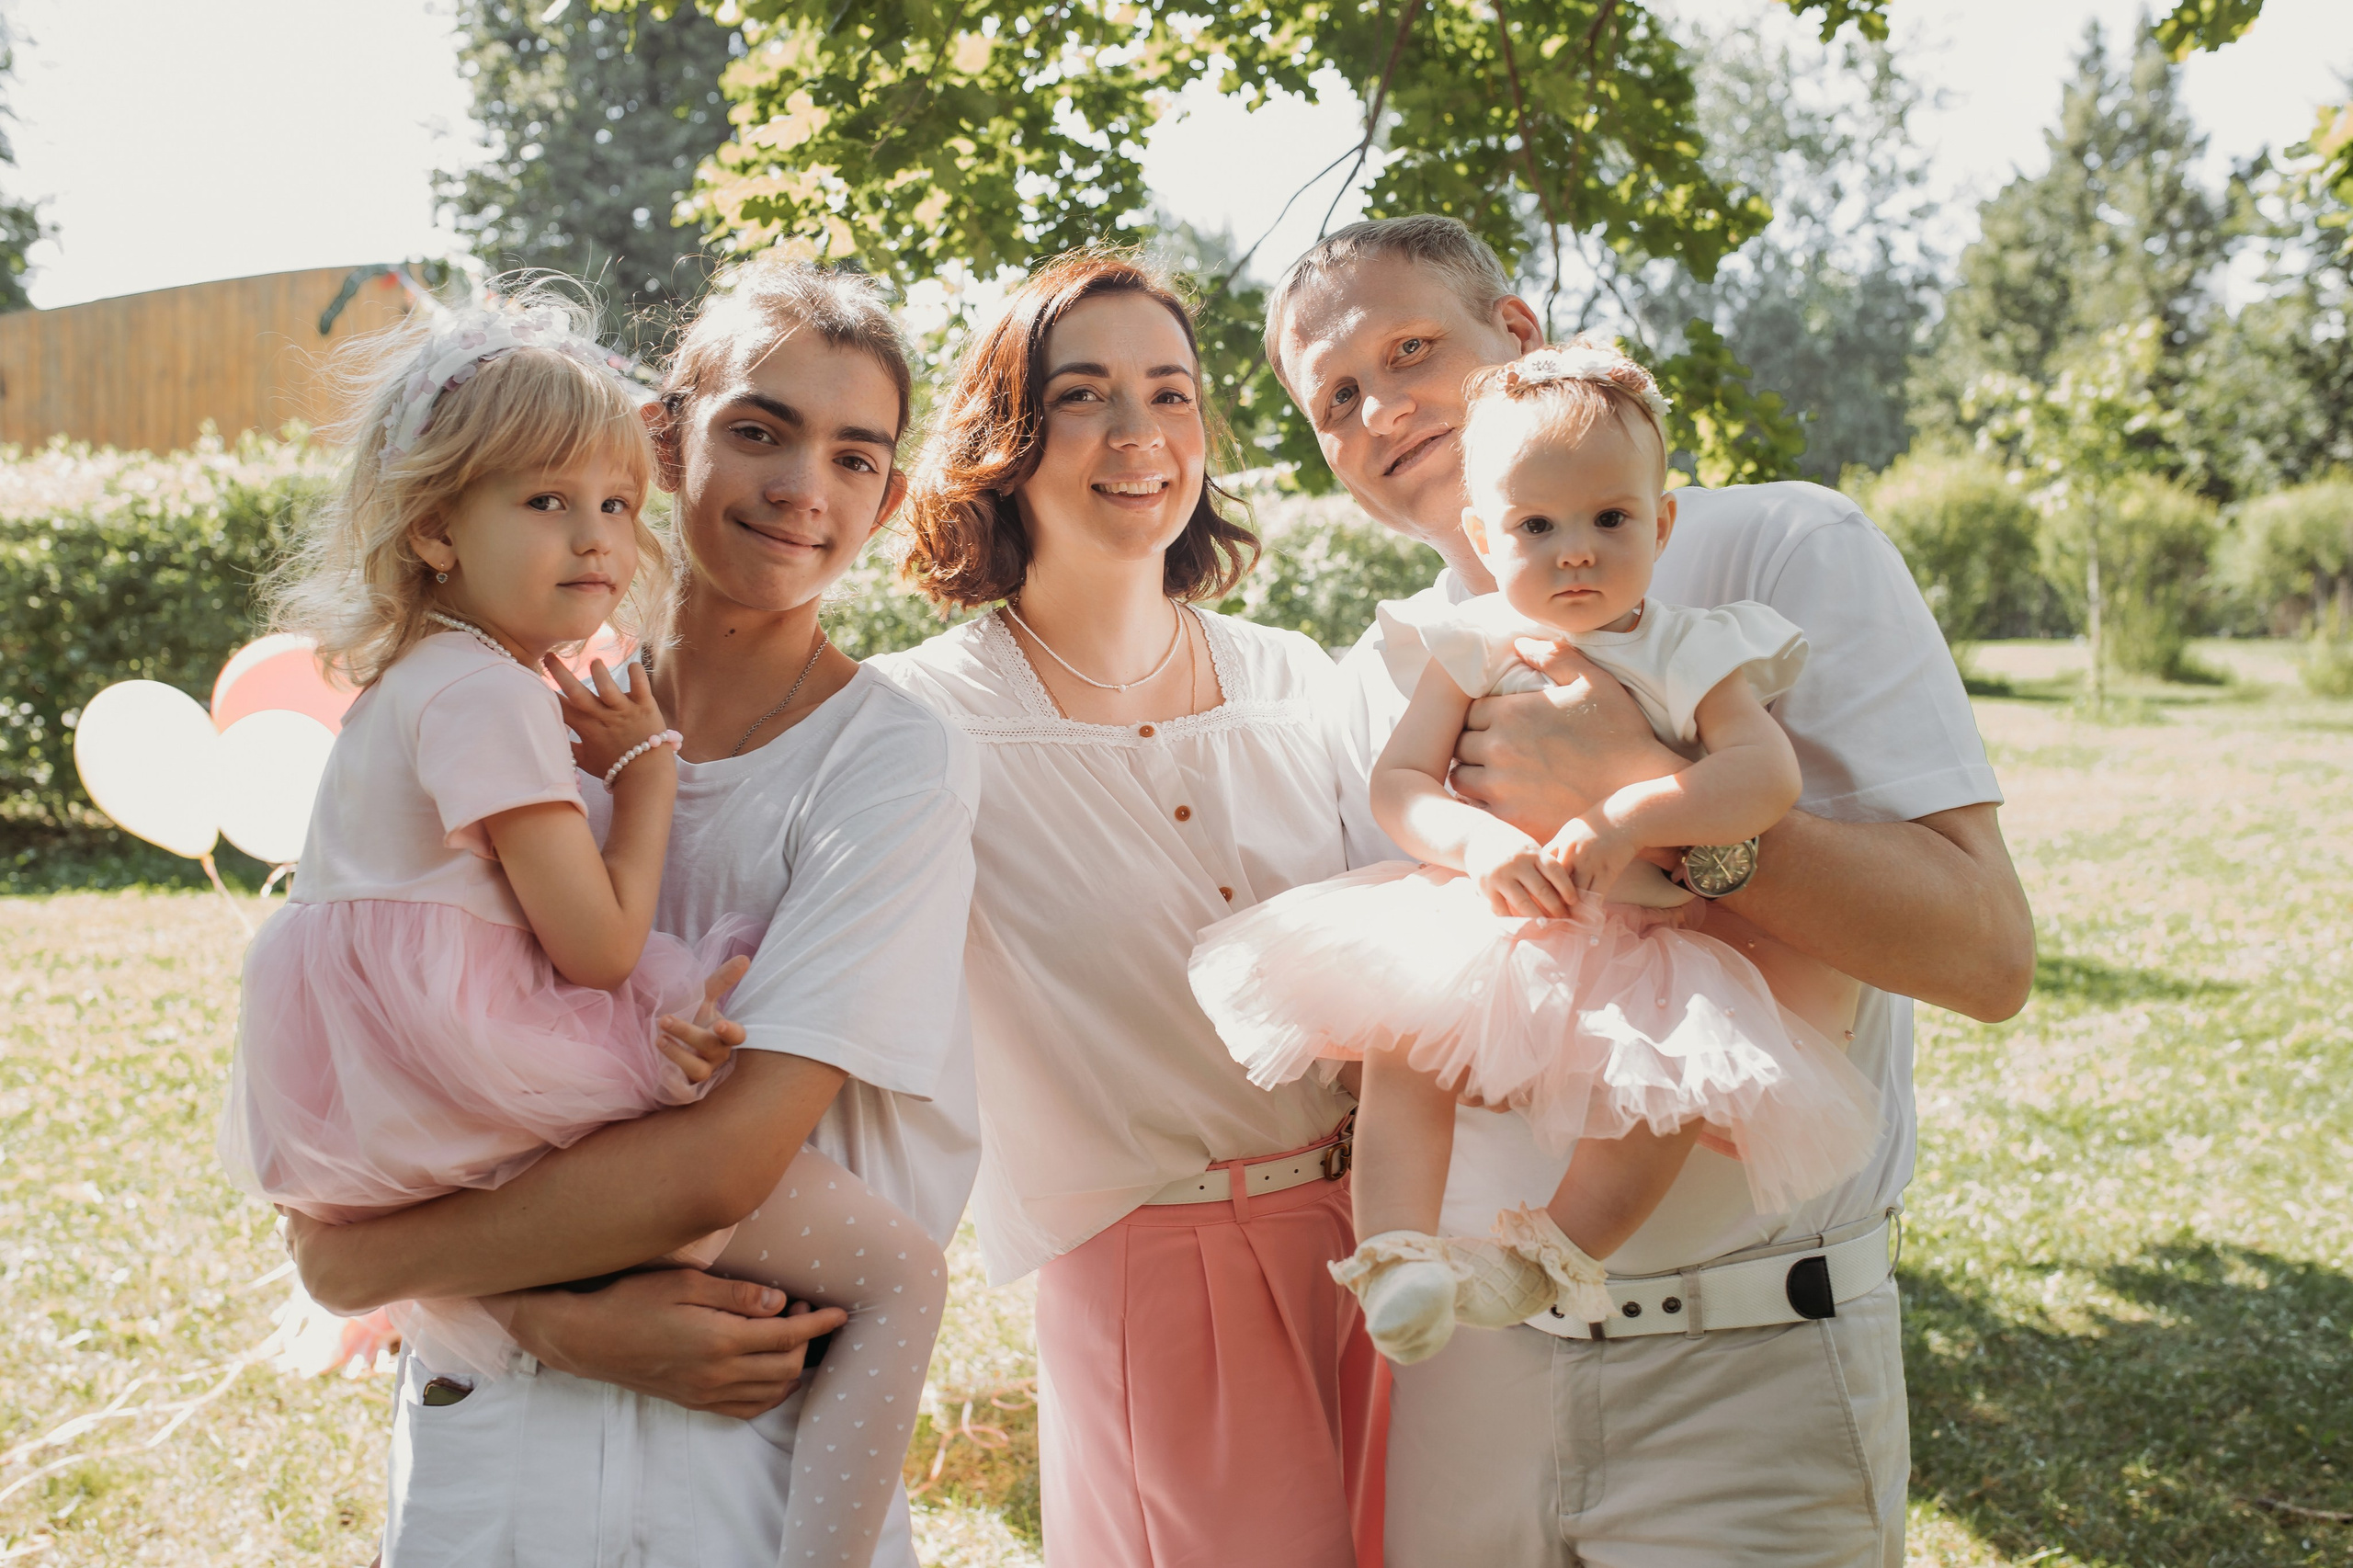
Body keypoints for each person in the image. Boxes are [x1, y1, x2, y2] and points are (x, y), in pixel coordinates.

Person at [1264, 215, 2035, 1565]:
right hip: (1467, 1380)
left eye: (1409, 349)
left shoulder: (1778, 557)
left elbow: (1986, 957)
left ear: (1518, 334)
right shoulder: (1367, 677)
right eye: (1336, 396)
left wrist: (1641, 801)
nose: (1381, 406)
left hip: (1751, 1368)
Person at [282, 259, 980, 1568]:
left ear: (886, 495)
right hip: (499, 1450)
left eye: (857, 456)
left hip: (748, 1465)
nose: (803, 489)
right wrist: (549, 1319)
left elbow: (721, 1166)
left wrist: (393, 1269)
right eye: (759, 430)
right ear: (665, 438)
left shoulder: (892, 763)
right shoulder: (503, 712)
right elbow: (365, 1125)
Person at [1191, 339, 1881, 1366]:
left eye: (1610, 519)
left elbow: (1761, 776)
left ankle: (1553, 1253)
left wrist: (1629, 814)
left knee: (1666, 1088)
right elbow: (1403, 783)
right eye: (1535, 525)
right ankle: (1397, 1252)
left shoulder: (1691, 645)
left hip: (1645, 932)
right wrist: (1476, 842)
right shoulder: (1472, 640)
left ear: (1663, 521)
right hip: (1492, 911)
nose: (1574, 552)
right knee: (1405, 1049)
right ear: (1483, 530)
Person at [870, 250, 1384, 1568]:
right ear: (1006, 435)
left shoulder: (1299, 680)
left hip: (1384, 1236)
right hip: (1151, 1266)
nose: (1138, 433)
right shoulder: (923, 719)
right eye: (1085, 394)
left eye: (1170, 390)